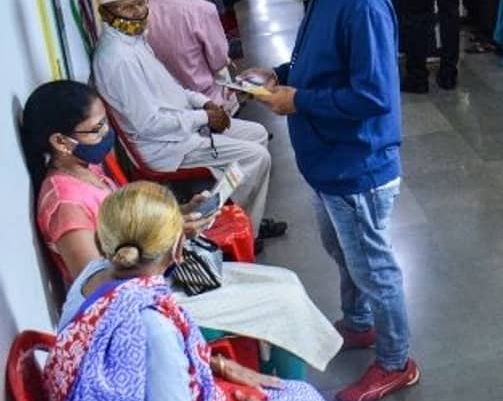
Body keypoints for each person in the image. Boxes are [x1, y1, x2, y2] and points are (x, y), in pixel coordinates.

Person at [44, 182, 380, 401]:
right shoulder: (153, 326)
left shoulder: (91, 276)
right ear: (178, 248)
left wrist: (218, 364)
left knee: (300, 397)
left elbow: (136, 370)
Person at [22, 80, 341, 376]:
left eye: (106, 122)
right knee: (282, 303)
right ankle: (289, 389)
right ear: (60, 141)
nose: (107, 133)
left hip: (159, 279)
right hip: (146, 308)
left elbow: (131, 225)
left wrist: (179, 213)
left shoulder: (87, 172)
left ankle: (280, 375)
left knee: (285, 282)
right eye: (97, 128)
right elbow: (101, 291)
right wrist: (166, 239)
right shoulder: (65, 204)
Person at [246, 0, 418, 401]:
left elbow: (373, 94)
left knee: (373, 266)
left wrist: (297, 100)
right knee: (342, 250)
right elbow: (322, 60)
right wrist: (281, 74)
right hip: (329, 159)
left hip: (358, 161)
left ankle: (396, 361)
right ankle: (360, 323)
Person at [90, 0, 285, 242]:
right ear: (105, 13)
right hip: (164, 146)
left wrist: (204, 103)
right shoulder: (118, 60)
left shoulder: (135, 41)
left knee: (257, 134)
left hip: (181, 127)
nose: (138, 12)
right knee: (256, 157)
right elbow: (149, 124)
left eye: (140, 2)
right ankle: (223, 228)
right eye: (127, 7)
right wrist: (204, 117)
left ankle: (241, 217)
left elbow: (173, 90)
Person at [146, 0, 238, 113]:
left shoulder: (146, 8)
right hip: (206, 99)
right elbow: (218, 59)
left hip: (166, 100)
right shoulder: (203, 9)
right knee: (225, 70)